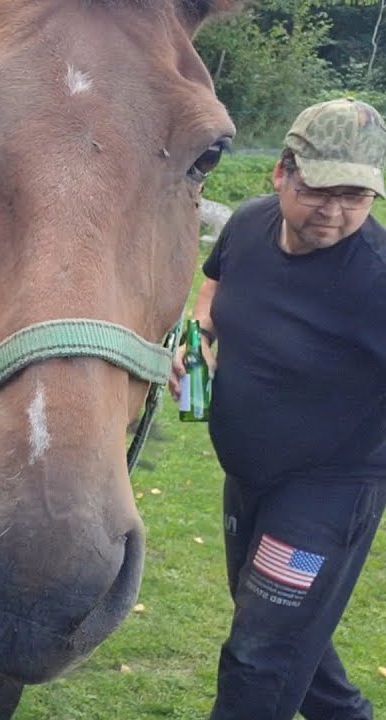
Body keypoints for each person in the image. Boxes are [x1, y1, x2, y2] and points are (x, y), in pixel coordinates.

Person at [170, 98, 386, 720]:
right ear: (282, 172)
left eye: (357, 196)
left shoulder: (375, 276)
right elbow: (210, 298)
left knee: (259, 652)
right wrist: (195, 344)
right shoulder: (248, 225)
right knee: (282, 625)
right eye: (321, 190)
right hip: (250, 478)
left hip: (328, 489)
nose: (336, 212)